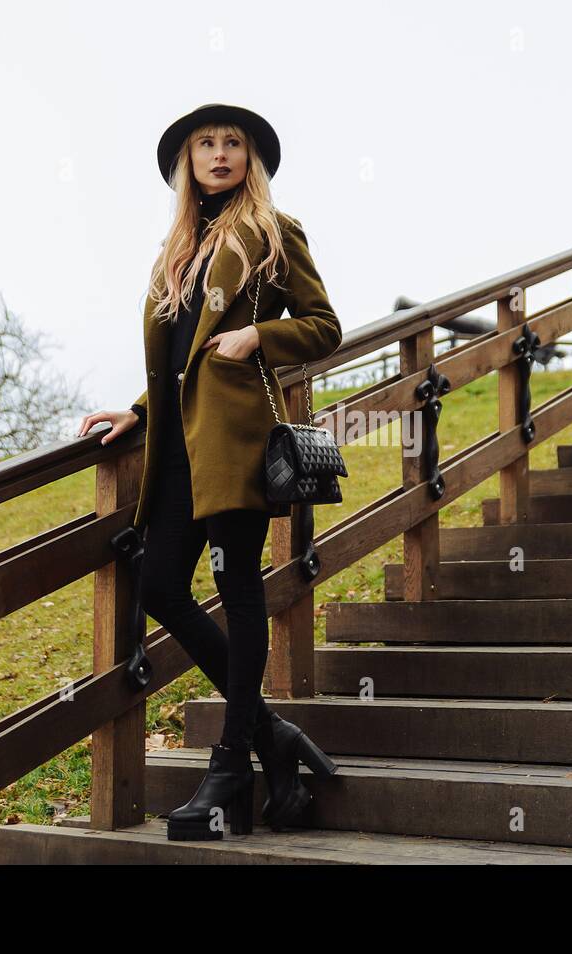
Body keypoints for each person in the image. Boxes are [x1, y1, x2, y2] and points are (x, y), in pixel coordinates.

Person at [78, 103, 341, 841]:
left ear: (249, 158)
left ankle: (231, 765)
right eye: (205, 145)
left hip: (234, 445)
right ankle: (271, 737)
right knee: (159, 586)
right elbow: (176, 356)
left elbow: (325, 326)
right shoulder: (176, 250)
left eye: (232, 143)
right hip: (172, 449)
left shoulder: (272, 232)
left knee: (237, 588)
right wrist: (136, 408)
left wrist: (259, 333)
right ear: (187, 163)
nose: (220, 154)